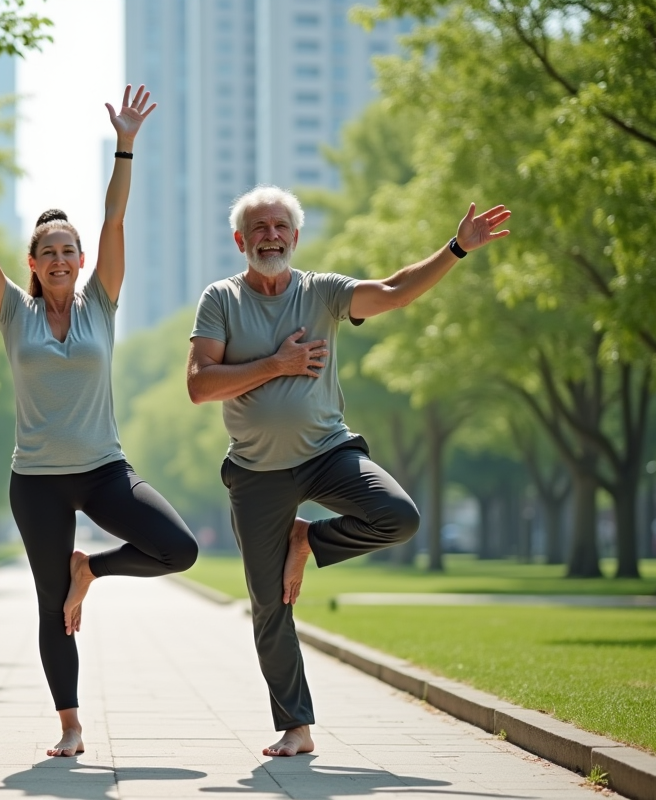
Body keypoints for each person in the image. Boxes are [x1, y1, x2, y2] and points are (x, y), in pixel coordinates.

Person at [186, 185, 511, 757]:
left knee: (398, 516)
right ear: (240, 240)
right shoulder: (220, 300)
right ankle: (297, 727)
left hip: (327, 454)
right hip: (256, 472)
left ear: (296, 236)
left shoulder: (323, 293)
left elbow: (392, 292)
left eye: (281, 225)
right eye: (259, 227)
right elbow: (199, 385)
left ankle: (307, 536)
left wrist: (455, 249)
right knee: (269, 605)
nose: (271, 235)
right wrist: (277, 364)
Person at [0, 85, 198, 757]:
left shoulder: (100, 306)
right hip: (38, 482)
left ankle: (95, 571)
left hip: (106, 470)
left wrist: (126, 144)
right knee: (51, 604)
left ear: (81, 261)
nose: (59, 259)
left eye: (68, 250)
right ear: (32, 262)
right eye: (47, 251)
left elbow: (114, 219)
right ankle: (71, 726)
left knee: (180, 548)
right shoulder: (13, 314)